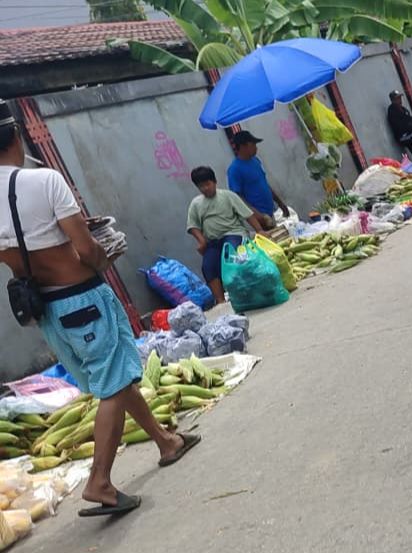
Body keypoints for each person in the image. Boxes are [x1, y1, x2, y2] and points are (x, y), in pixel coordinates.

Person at [0, 99, 198, 517]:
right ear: (16, 135)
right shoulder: (45, 181)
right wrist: (102, 256)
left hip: (46, 310)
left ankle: (166, 441)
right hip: (82, 298)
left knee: (116, 377)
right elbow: (87, 250)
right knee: (113, 384)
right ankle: (100, 482)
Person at [186, 166, 268, 303]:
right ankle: (220, 301)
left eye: (208, 184)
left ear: (214, 182)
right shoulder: (196, 204)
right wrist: (201, 241)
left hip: (234, 234)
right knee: (208, 266)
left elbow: (247, 215)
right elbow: (193, 226)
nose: (205, 188)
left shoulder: (228, 196)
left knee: (231, 257)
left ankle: (243, 292)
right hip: (213, 241)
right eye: (201, 186)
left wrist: (260, 230)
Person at [227, 131, 287, 230]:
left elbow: (264, 184)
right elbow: (237, 198)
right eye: (253, 144)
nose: (256, 148)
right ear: (243, 146)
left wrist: (281, 204)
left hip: (269, 214)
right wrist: (258, 216)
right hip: (258, 219)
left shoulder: (255, 161)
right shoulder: (234, 169)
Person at [386, 90, 412, 160]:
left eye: (400, 98)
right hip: (401, 135)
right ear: (393, 100)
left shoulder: (403, 109)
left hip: (408, 133)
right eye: (397, 98)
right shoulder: (392, 110)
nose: (400, 100)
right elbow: (400, 126)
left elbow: (411, 119)